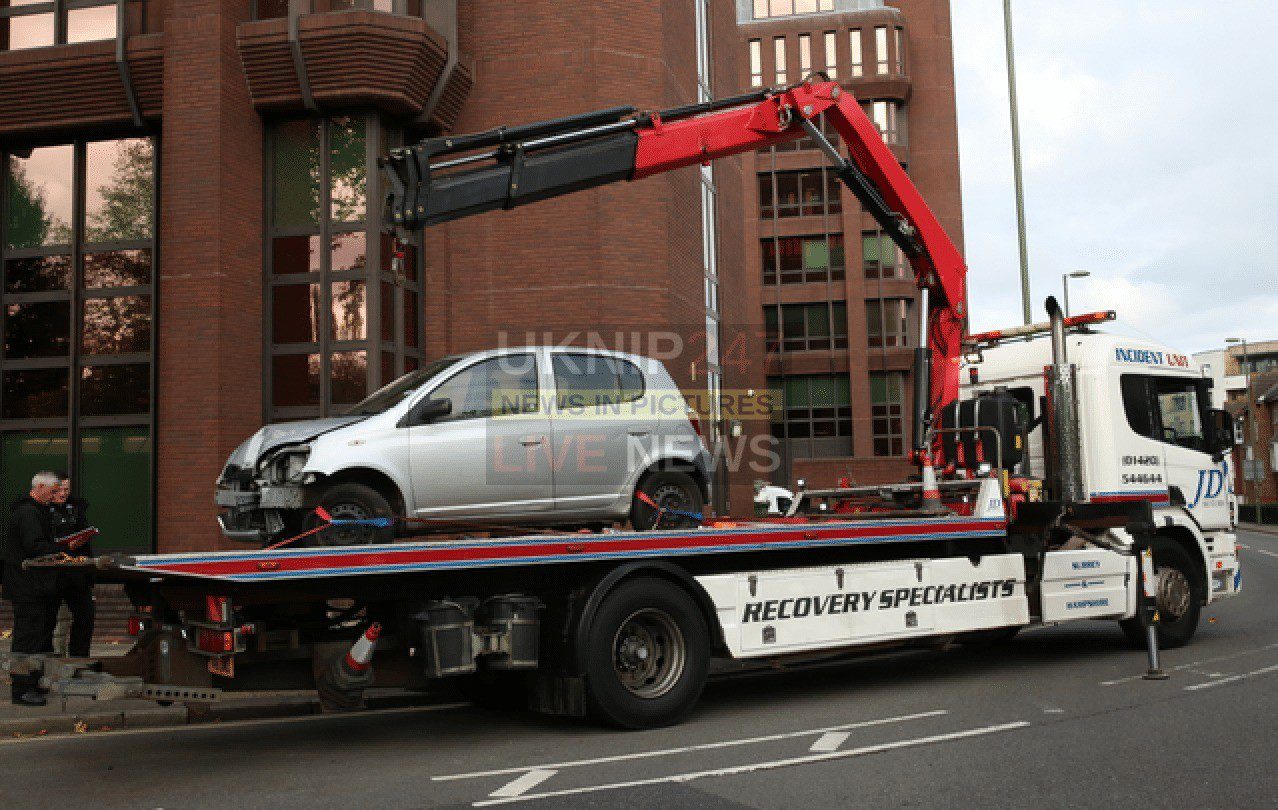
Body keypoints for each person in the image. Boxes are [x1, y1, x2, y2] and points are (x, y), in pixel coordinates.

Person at [3, 471, 62, 706]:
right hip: (28, 586)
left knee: (36, 637)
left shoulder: (34, 512)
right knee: (27, 638)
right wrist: (58, 550)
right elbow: (34, 547)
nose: (56, 495)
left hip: (32, 586)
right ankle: (21, 688)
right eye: (52, 490)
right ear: (38, 487)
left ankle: (32, 681)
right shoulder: (28, 513)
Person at [47, 474, 94, 658]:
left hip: (76, 571)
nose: (63, 494)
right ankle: (52, 658)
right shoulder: (43, 510)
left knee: (85, 615)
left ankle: (79, 657)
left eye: (67, 489)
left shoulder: (76, 508)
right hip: (53, 572)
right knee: (53, 621)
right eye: (59, 490)